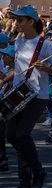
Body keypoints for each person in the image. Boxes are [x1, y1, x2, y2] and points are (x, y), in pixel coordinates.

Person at [2, 6, 52, 188]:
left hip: (37, 96)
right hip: (18, 94)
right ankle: (26, 179)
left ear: (30, 22)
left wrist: (46, 68)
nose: (16, 23)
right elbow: (20, 69)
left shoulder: (45, 45)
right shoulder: (19, 42)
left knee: (22, 135)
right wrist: (4, 81)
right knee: (12, 135)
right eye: (15, 20)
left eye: (20, 20)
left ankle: (36, 173)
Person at [0, 45, 15, 174]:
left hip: (11, 107)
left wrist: (3, 78)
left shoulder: (16, 71)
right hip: (4, 103)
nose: (3, 57)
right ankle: (2, 160)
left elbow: (12, 82)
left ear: (11, 58)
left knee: (10, 135)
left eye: (5, 55)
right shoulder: (5, 68)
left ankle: (3, 160)